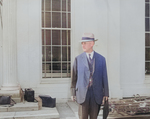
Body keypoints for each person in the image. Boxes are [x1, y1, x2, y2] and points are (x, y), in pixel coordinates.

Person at [71, 33, 109, 119]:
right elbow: (74, 78)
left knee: (94, 117)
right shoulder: (78, 59)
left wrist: (106, 93)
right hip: (82, 94)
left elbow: (104, 77)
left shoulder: (101, 59)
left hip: (96, 94)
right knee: (83, 117)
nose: (82, 45)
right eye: (82, 43)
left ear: (92, 43)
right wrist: (73, 92)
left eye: (85, 43)